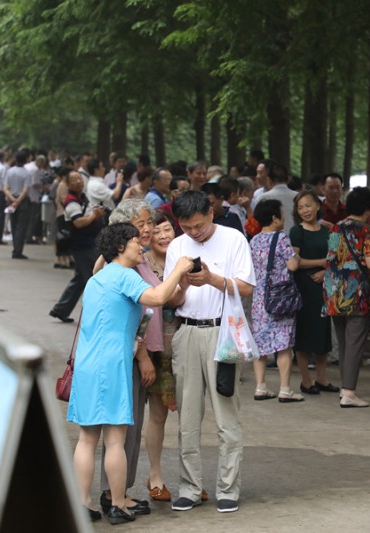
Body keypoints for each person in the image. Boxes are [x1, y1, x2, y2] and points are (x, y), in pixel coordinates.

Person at [67, 222, 193, 524]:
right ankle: (119, 503)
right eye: (137, 241)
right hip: (111, 365)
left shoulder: (97, 278)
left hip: (86, 364)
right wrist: (180, 269)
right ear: (121, 246)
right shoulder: (125, 276)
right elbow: (158, 297)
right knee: (114, 439)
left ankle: (82, 503)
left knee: (87, 439)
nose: (143, 246)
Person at [165, 190, 255, 514]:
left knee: (226, 414)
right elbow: (171, 300)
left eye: (199, 226)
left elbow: (246, 288)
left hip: (223, 333)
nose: (194, 233)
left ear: (211, 213)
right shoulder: (177, 246)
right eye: (187, 227)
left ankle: (228, 488)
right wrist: (186, 283)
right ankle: (189, 487)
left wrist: (213, 279)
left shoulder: (234, 240)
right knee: (187, 418)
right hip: (186, 330)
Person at [323, 187, 370, 408]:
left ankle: (344, 388)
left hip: (333, 293)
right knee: (355, 344)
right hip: (356, 294)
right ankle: (349, 392)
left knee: (345, 344)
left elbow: (330, 258)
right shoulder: (366, 231)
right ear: (368, 208)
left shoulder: (336, 228)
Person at [141, 210, 184, 502]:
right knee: (157, 415)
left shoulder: (184, 257)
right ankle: (155, 476)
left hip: (183, 342)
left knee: (190, 413)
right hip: (154, 348)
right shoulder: (139, 262)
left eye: (168, 228)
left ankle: (190, 479)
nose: (164, 235)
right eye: (157, 231)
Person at [249, 199, 303, 402]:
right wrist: (296, 256)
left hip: (260, 299)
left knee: (260, 344)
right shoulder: (281, 238)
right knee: (283, 344)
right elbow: (292, 266)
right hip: (280, 299)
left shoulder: (254, 240)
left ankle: (260, 387)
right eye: (282, 213)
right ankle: (284, 389)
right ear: (274, 218)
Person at [290, 191, 339, 395]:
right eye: (300, 207)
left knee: (322, 332)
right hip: (303, 286)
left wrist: (325, 270)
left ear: (318, 206)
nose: (305, 211)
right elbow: (295, 261)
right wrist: (322, 263)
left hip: (324, 286)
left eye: (308, 205)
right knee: (304, 332)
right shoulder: (296, 231)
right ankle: (306, 380)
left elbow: (336, 256)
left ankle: (321, 378)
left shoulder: (328, 231)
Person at [50, 171, 107, 323]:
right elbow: (78, 222)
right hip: (83, 246)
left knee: (80, 279)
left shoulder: (81, 197)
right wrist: (94, 216)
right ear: (67, 184)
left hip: (87, 244)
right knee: (94, 279)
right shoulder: (71, 201)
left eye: (79, 179)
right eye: (74, 180)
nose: (78, 182)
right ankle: (95, 316)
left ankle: (60, 310)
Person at [4, 151, 34, 259]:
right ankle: (18, 251)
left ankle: (15, 249)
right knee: (21, 227)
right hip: (23, 202)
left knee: (13, 225)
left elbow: (5, 188)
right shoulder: (26, 173)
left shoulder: (10, 171)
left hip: (11, 200)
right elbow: (25, 190)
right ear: (26, 160)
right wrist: (18, 201)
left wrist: (13, 200)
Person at [256, 163, 298, 234]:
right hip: (295, 239)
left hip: (271, 240)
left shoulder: (263, 198)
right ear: (288, 179)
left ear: (269, 179)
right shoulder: (298, 196)